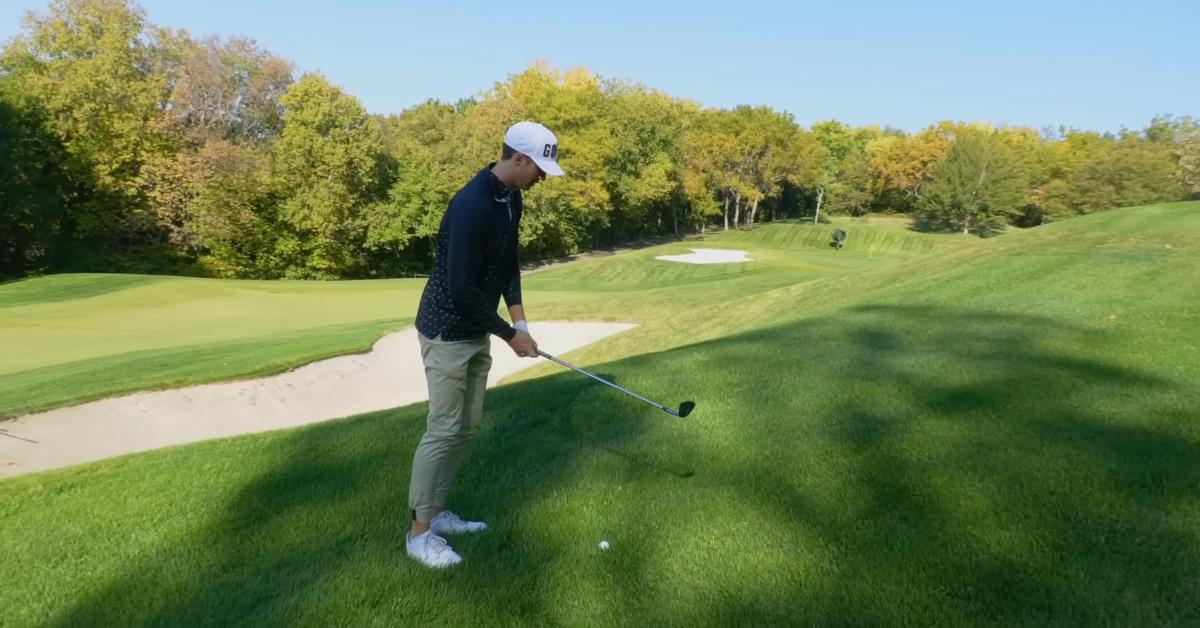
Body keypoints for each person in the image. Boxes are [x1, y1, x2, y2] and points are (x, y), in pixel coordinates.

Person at [405, 121, 565, 568]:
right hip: (446, 331)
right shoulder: (472, 205)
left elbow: (507, 264)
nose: (542, 178)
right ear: (519, 159)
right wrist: (510, 336)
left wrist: (521, 320)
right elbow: (460, 288)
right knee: (442, 429)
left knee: (467, 426)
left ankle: (436, 514)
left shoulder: (509, 198)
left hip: (475, 331)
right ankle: (419, 535)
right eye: (540, 169)